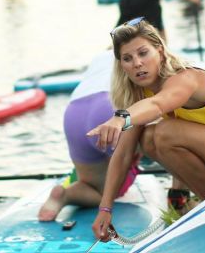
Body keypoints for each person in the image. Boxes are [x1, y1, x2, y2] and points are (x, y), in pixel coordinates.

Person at [89, 19, 205, 241]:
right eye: (127, 59)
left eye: (143, 53)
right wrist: (105, 209)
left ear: (159, 50)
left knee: (164, 132)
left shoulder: (186, 78)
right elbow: (122, 155)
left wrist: (120, 119)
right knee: (148, 138)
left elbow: (159, 105)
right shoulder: (141, 95)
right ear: (122, 66)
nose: (137, 63)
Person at [38, 50, 146, 221]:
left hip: (74, 112)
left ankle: (64, 195)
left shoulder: (100, 56)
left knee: (90, 186)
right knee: (112, 187)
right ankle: (179, 198)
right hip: (112, 106)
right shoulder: (145, 52)